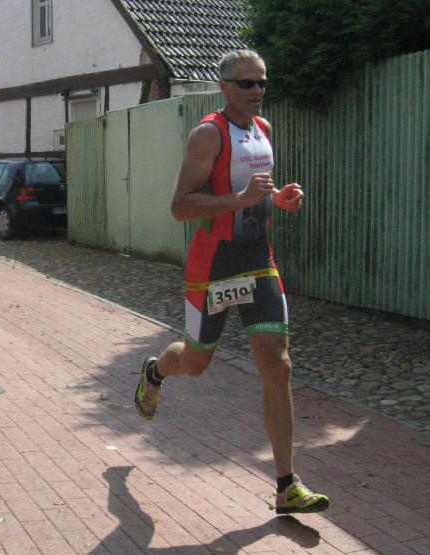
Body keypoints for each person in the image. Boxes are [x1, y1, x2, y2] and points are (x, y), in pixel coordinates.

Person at [133, 49, 329, 515]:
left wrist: (277, 199)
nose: (257, 90)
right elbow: (181, 206)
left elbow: (254, 188)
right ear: (224, 87)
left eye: (262, 82)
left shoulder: (263, 130)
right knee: (196, 362)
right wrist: (239, 200)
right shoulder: (209, 134)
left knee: (277, 365)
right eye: (247, 83)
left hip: (259, 261)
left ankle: (286, 485)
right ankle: (156, 371)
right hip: (214, 266)